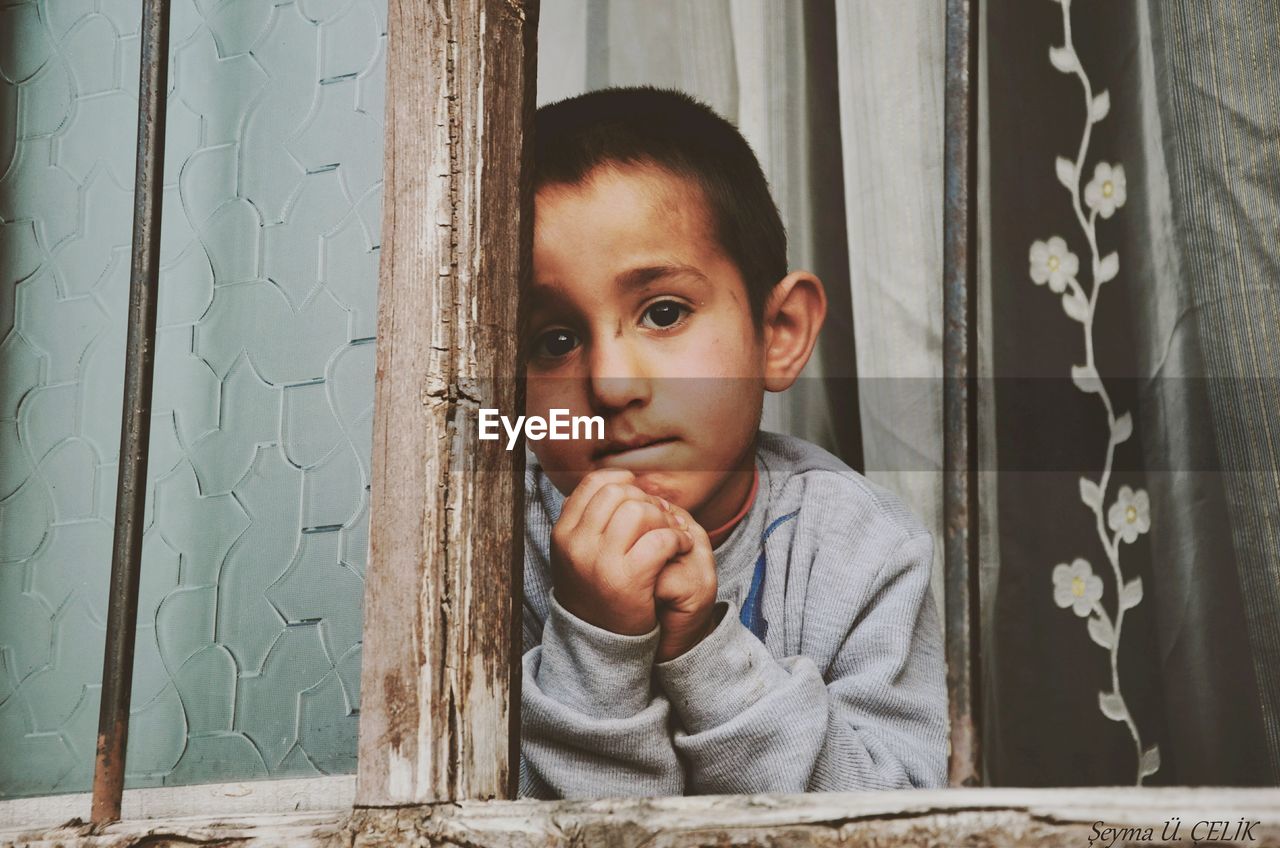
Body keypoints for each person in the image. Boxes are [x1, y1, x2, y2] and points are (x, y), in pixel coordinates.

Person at [518, 86, 948, 798]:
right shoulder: (490, 559)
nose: (611, 384)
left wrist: (705, 652)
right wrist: (596, 642)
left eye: (663, 312)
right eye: (554, 340)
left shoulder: (861, 551)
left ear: (777, 335)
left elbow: (892, 822)